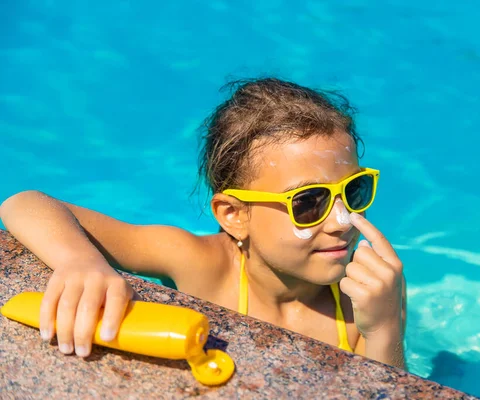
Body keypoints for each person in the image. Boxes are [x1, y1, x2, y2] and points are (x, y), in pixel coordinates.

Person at [0, 78, 407, 369]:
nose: (342, 220)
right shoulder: (200, 264)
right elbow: (25, 203)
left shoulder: (364, 301)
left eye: (353, 191)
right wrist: (81, 263)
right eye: (309, 202)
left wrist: (386, 329)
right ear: (234, 215)